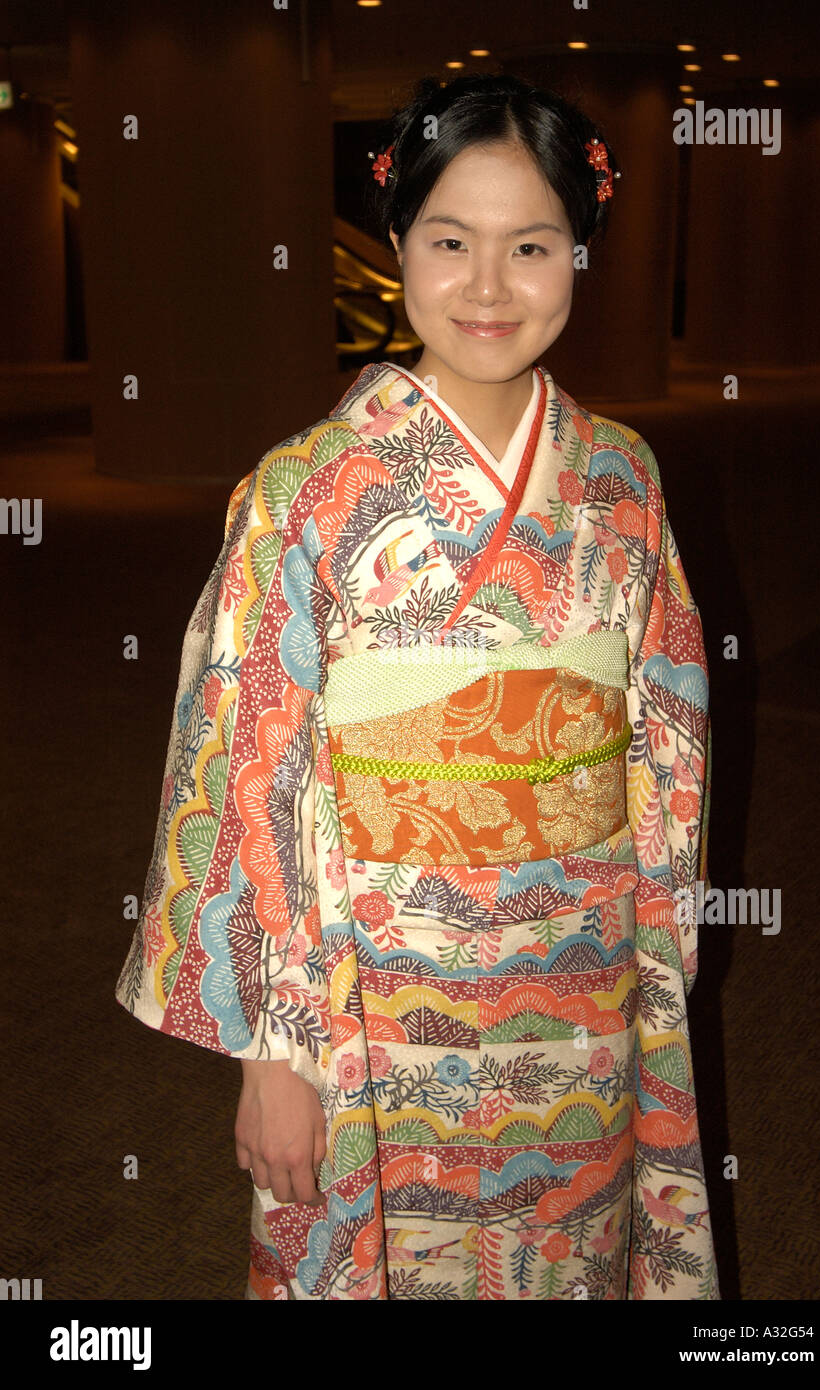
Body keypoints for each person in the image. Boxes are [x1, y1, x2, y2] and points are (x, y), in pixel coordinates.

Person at [116, 72, 719, 1301]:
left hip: (581, 978)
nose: (489, 287)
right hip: (371, 996)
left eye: (532, 246)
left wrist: (656, 969)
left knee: (573, 1254)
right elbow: (247, 764)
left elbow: (671, 739)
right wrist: (271, 1055)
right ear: (397, 246)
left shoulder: (621, 478)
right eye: (451, 242)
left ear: (578, 257)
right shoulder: (307, 490)